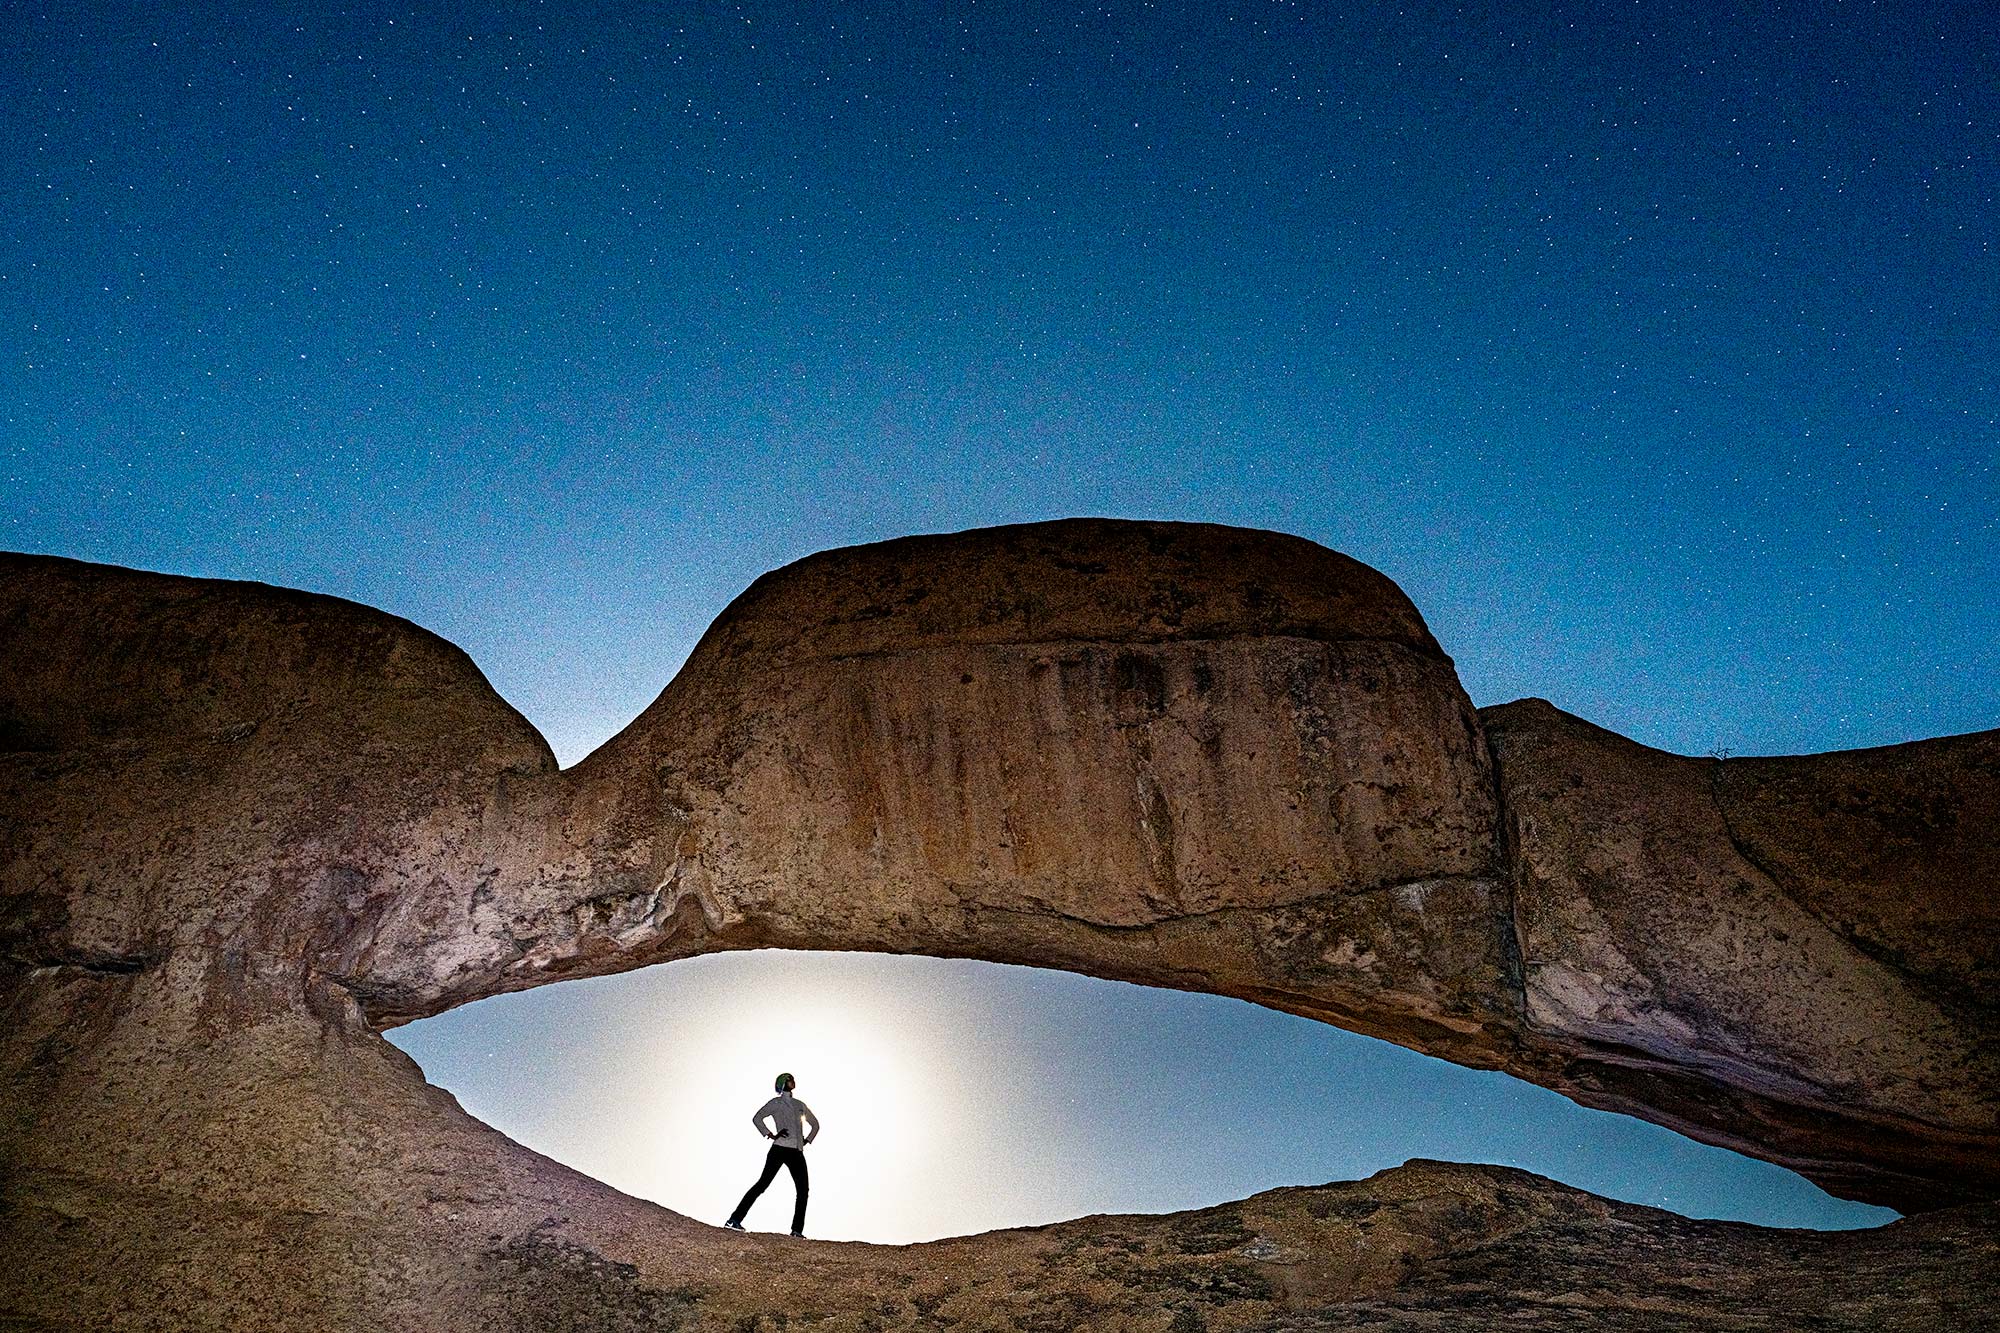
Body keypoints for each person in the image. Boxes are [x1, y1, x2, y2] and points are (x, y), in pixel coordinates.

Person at [724, 1072, 819, 1237]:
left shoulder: (800, 1104)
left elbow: (815, 1124)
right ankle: (734, 1220)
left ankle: (797, 1231)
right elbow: (757, 1118)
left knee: (803, 1190)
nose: (793, 1081)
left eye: (793, 1079)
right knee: (762, 1185)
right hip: (779, 1148)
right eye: (790, 1079)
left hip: (796, 1152)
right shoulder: (776, 1103)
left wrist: (807, 1140)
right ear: (783, 1083)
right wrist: (770, 1134)